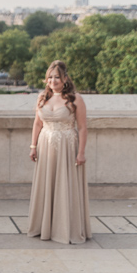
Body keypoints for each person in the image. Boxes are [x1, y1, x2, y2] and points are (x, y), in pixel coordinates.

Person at [27, 59, 91, 244]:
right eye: (50, 77)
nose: (53, 81)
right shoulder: (42, 97)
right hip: (45, 145)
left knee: (65, 184)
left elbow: (83, 128)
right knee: (46, 184)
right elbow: (37, 123)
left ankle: (64, 228)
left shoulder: (75, 99)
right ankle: (44, 226)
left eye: (57, 77)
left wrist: (81, 152)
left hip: (67, 147)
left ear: (65, 78)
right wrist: (33, 146)